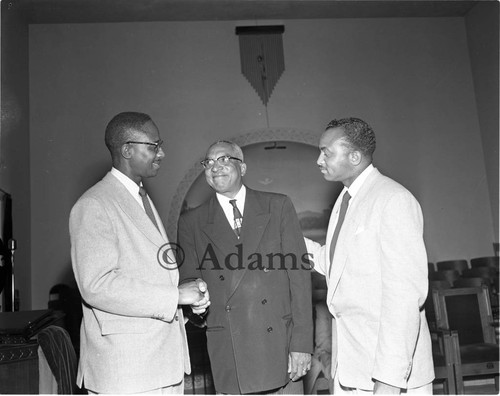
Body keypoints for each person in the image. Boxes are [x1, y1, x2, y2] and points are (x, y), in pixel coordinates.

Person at [69, 112, 210, 394]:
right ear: (126, 150)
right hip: (127, 372)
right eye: (153, 146)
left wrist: (184, 297)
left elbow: (144, 273)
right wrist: (176, 296)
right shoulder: (94, 204)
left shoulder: (140, 197)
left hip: (159, 367)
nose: (162, 153)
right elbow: (97, 285)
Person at [305, 117, 434, 394]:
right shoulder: (345, 199)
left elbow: (405, 296)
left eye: (326, 152)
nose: (319, 159)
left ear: (354, 156)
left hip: (388, 373)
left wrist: (387, 381)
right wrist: (289, 241)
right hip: (354, 367)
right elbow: (337, 264)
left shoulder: (392, 199)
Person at [177, 140, 313, 394]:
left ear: (244, 167)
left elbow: (300, 280)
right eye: (209, 163)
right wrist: (196, 301)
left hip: (280, 346)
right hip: (229, 348)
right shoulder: (191, 222)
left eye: (224, 159)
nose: (215, 167)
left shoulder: (278, 206)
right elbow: (189, 282)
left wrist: (302, 343)